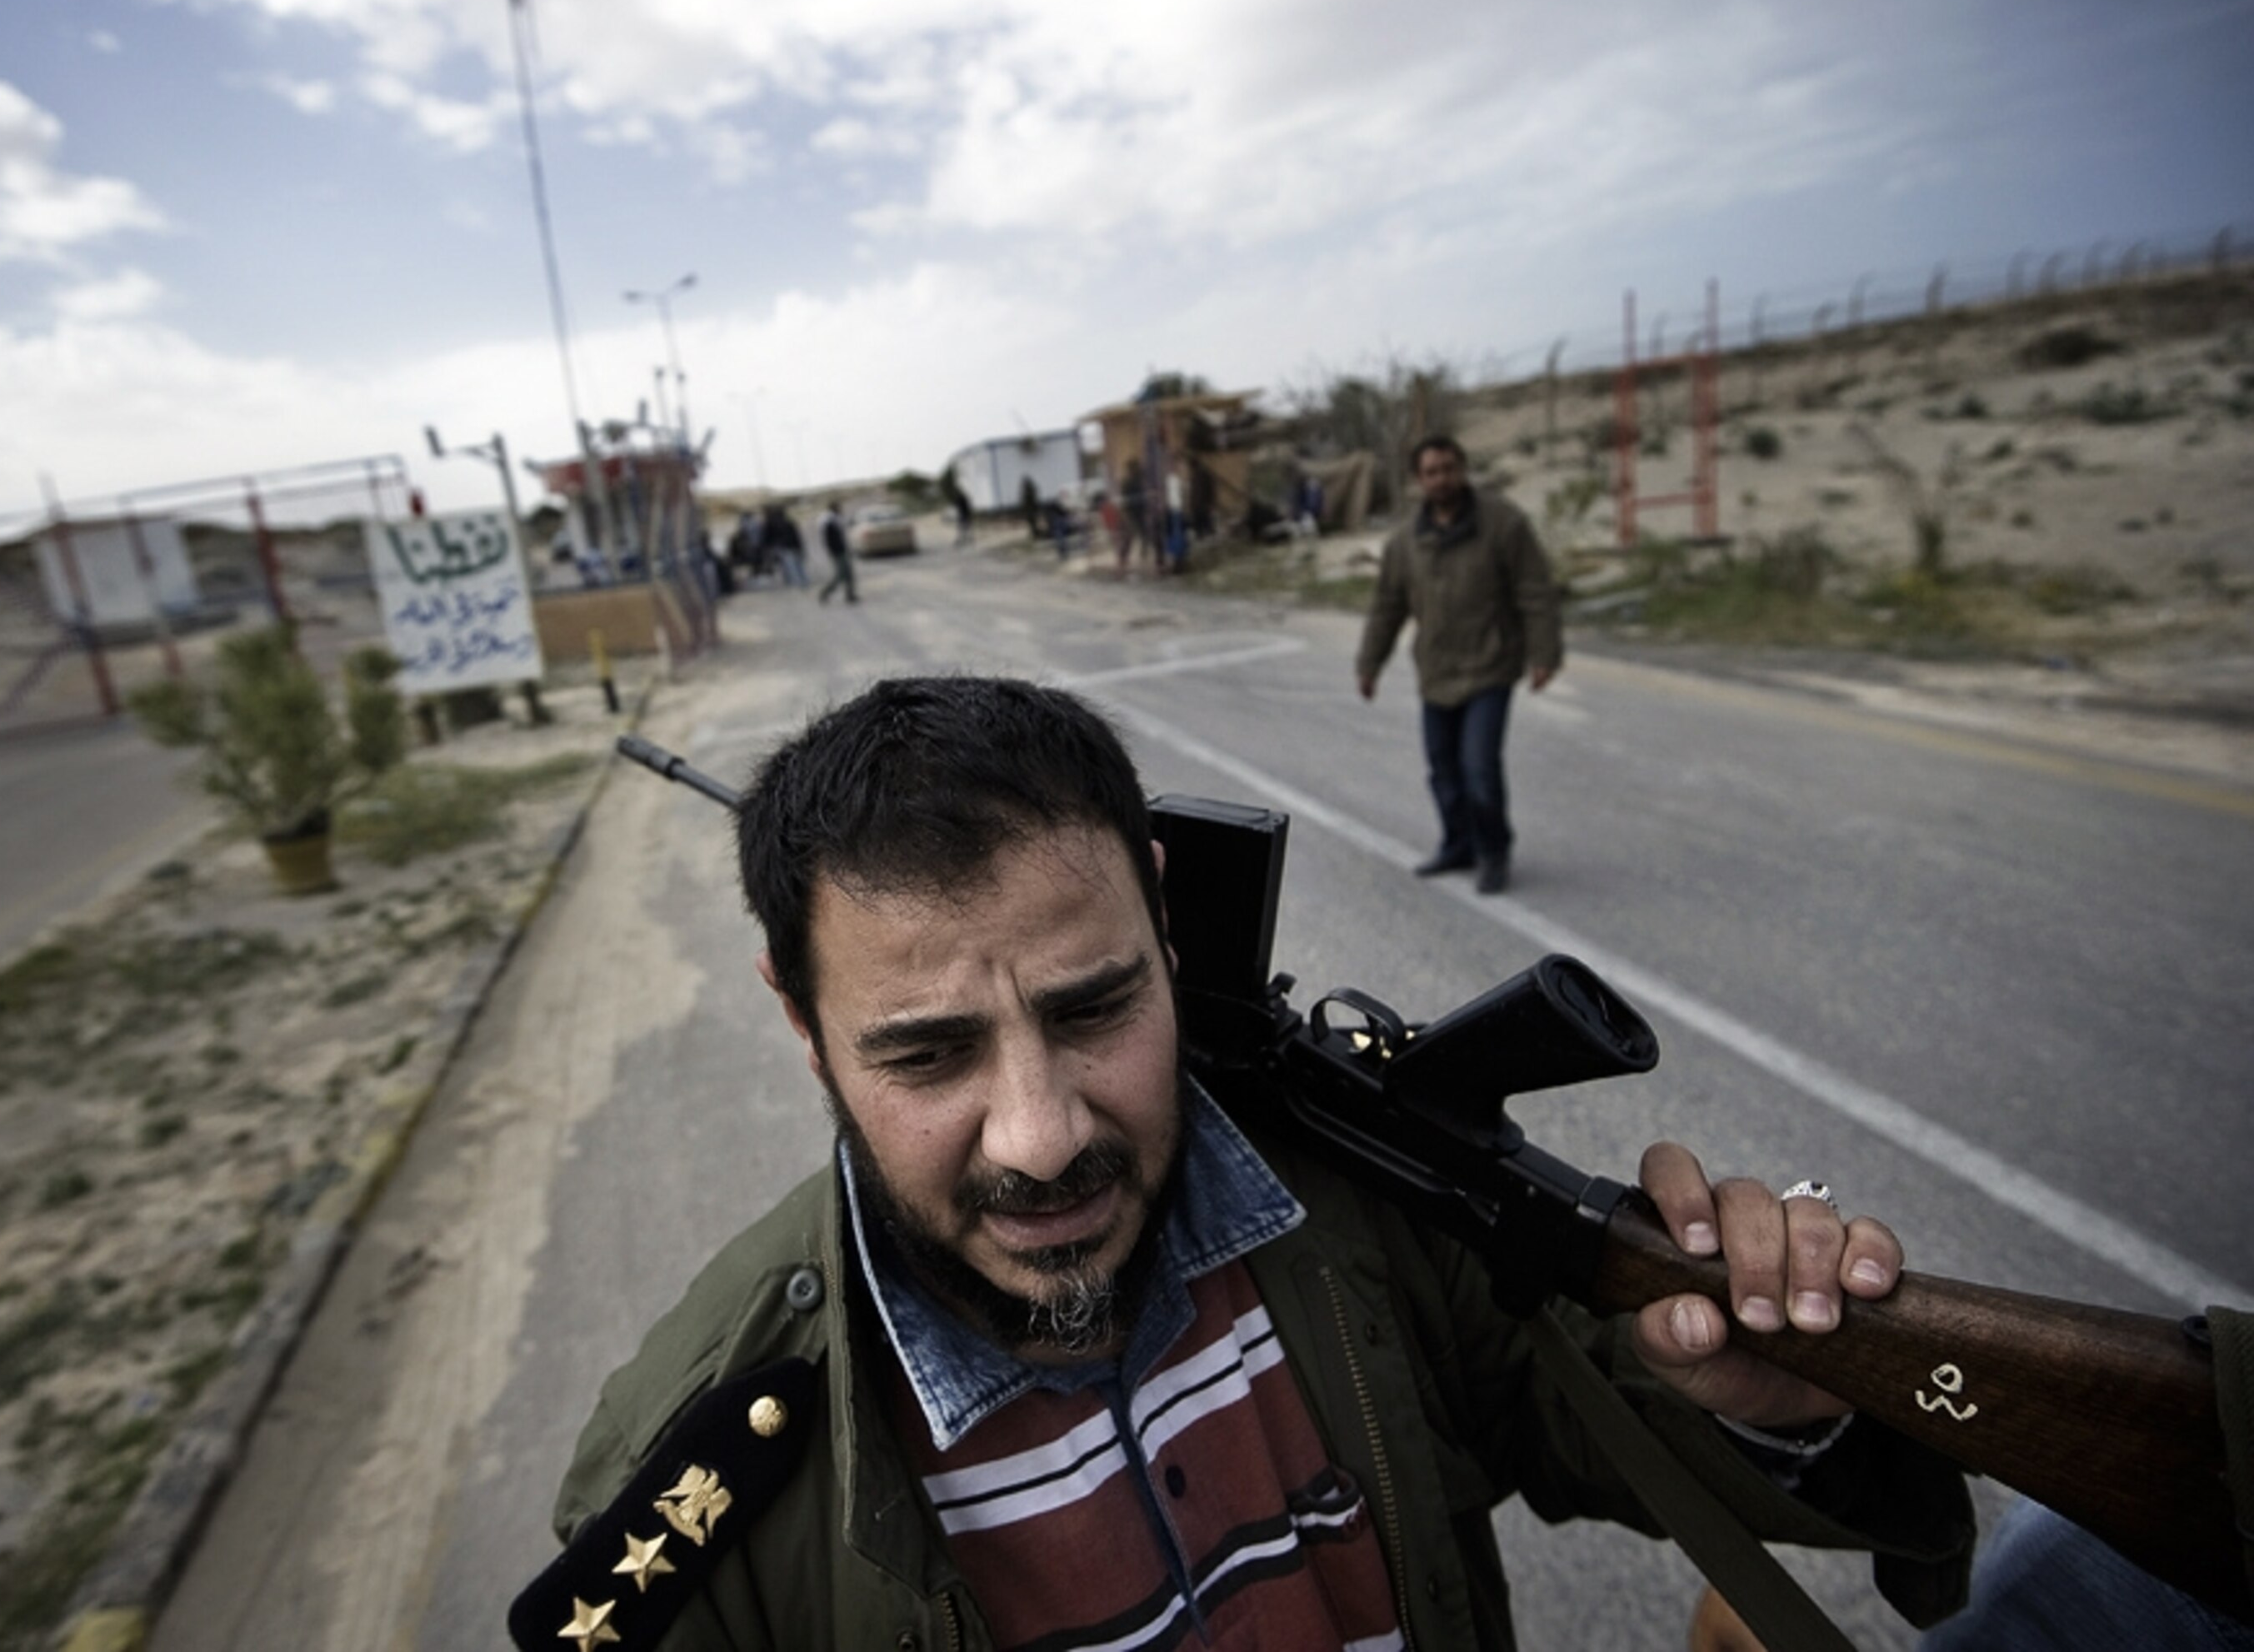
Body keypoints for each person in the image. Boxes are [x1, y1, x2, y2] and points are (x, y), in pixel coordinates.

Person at [513, 677, 1972, 1652]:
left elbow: (1614, 1424)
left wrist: (1780, 1404)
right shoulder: (702, 1482)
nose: (1043, 1135)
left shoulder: (1364, 1216)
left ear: (1165, 925)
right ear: (803, 1025)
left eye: (1094, 1010)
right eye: (926, 1055)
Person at [1355, 435, 1561, 896]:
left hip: (1490, 666)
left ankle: (1494, 852)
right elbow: (1388, 607)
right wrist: (1370, 664)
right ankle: (1458, 844)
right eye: (1431, 472)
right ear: (1419, 480)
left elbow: (1536, 591)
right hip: (1436, 672)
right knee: (1443, 771)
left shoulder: (1504, 524)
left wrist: (1545, 654)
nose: (1442, 479)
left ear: (1463, 469)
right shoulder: (1406, 542)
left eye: (1449, 468)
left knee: (1479, 769)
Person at [816, 502, 857, 605]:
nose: (841, 509)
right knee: (840, 575)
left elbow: (843, 531)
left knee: (849, 574)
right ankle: (825, 593)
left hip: (842, 550)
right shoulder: (828, 521)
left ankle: (850, 595)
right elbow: (830, 540)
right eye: (839, 507)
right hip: (837, 552)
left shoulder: (835, 519)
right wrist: (836, 551)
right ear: (834, 508)